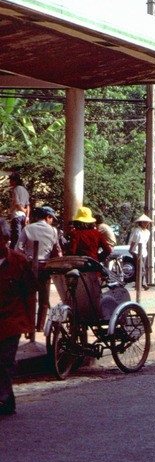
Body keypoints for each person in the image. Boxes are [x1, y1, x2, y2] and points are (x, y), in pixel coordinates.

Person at [0, 217, 36, 416]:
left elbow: (30, 292)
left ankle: (4, 399)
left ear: (5, 239)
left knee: (5, 361)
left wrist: (30, 323)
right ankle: (7, 397)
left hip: (12, 320)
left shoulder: (19, 261)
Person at [17, 206, 61, 331]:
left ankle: (29, 326)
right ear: (48, 217)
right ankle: (40, 327)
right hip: (45, 267)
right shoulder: (53, 231)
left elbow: (18, 249)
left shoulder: (27, 228)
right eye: (52, 218)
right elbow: (57, 250)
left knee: (29, 297)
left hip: (29, 266)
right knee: (44, 299)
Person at [127, 214, 152, 289]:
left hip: (144, 251)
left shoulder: (148, 232)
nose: (145, 223)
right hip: (136, 250)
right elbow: (133, 241)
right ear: (140, 222)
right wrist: (131, 249)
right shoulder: (137, 230)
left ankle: (141, 284)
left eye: (146, 222)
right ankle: (141, 284)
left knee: (141, 268)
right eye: (144, 222)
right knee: (142, 269)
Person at [8, 174, 30, 248]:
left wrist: (23, 210)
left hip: (17, 215)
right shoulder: (25, 190)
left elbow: (17, 203)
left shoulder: (15, 189)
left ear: (15, 181)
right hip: (23, 217)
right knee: (21, 238)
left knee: (15, 238)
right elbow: (28, 205)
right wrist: (27, 217)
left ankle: (13, 255)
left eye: (11, 180)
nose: (10, 182)